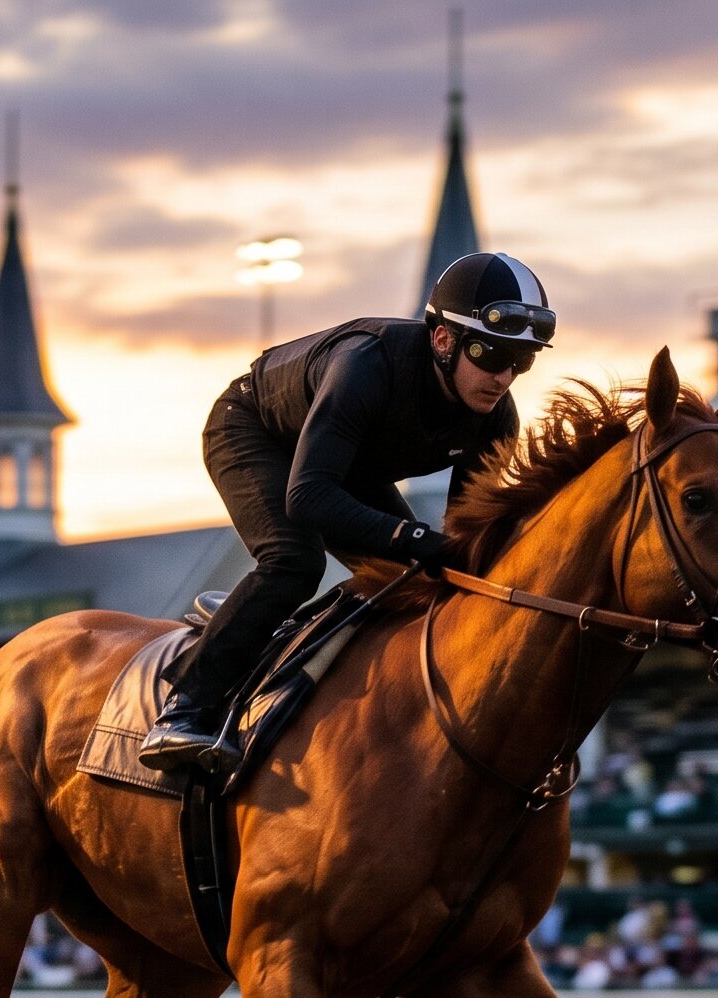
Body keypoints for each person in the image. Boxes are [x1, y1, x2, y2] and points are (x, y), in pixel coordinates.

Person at [139, 251, 549, 772]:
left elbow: (466, 539)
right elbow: (307, 498)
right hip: (256, 433)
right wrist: (419, 540)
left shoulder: (496, 416)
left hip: (345, 460)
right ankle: (183, 710)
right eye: (492, 356)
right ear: (444, 339)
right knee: (294, 561)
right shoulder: (366, 365)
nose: (505, 377)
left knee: (411, 578)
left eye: (523, 360)